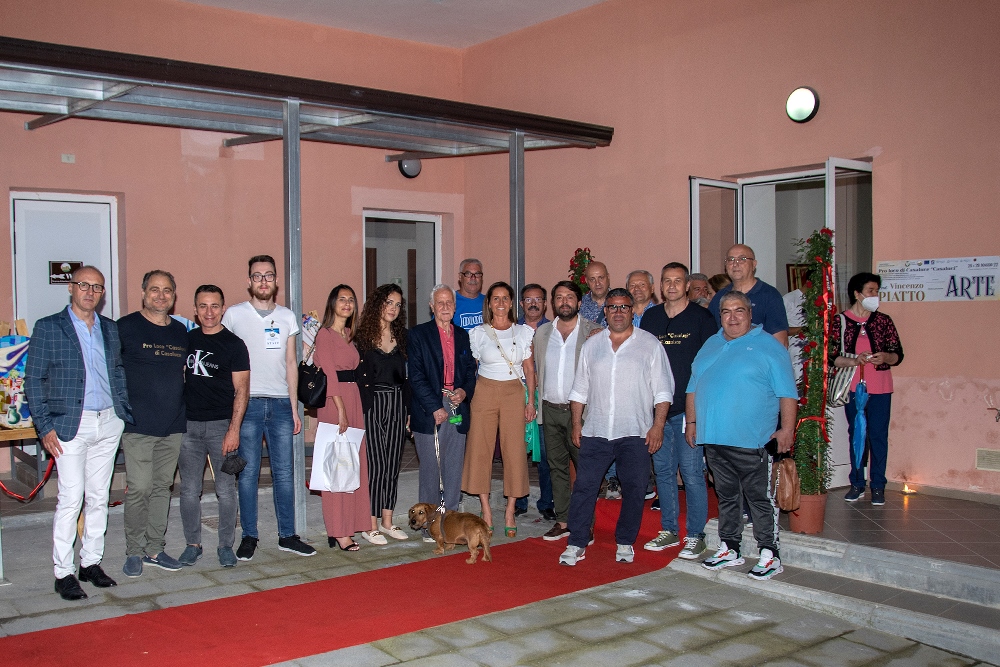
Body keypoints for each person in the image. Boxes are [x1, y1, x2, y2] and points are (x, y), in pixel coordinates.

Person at [24, 266, 132, 600]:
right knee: (71, 497)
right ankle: (63, 572)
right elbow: (33, 380)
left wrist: (122, 412)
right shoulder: (49, 327)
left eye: (97, 287)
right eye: (84, 285)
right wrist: (44, 427)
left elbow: (117, 372)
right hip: (70, 424)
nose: (90, 292)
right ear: (71, 288)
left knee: (99, 496)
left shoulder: (110, 329)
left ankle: (90, 563)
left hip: (108, 421)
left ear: (102, 293)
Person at [687, 291, 798, 580]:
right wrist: (692, 422)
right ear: (720, 315)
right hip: (714, 438)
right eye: (726, 311)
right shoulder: (711, 343)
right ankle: (730, 548)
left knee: (759, 498)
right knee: (726, 496)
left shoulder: (769, 346)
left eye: (739, 311)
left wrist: (787, 429)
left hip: (754, 441)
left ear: (750, 314)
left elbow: (787, 392)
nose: (732, 317)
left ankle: (770, 553)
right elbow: (693, 386)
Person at [559, 288, 673, 567]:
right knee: (584, 488)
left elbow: (663, 391)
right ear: (605, 311)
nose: (618, 312)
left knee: (634, 489)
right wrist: (577, 423)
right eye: (613, 307)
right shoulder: (592, 345)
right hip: (596, 430)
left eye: (624, 307)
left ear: (632, 311)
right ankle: (576, 542)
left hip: (635, 431)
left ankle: (625, 541)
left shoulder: (649, 344)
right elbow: (579, 389)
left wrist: (657, 426)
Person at [222, 254, 315, 560]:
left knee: (284, 474)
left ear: (276, 281)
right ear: (249, 281)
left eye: (269, 275)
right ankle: (249, 536)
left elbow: (291, 363)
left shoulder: (287, 317)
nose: (263, 281)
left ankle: (287, 535)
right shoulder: (234, 315)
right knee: (248, 474)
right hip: (247, 405)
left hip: (280, 406)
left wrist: (294, 407)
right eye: (257, 276)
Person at [640, 263, 718, 560]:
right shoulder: (651, 318)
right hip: (658, 411)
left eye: (677, 281)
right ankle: (669, 530)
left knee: (692, 473)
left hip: (689, 411)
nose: (672, 286)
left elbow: (709, 366)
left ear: (687, 285)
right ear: (660, 286)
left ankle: (696, 535)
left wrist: (696, 415)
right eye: (666, 281)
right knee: (663, 471)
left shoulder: (702, 318)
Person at [117, 270, 189, 577]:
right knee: (139, 488)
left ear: (174, 295)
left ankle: (154, 549)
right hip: (137, 425)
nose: (161, 295)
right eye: (155, 289)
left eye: (167, 290)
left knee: (162, 487)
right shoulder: (125, 327)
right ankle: (134, 550)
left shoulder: (181, 331)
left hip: (172, 424)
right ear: (144, 292)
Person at [177, 285, 250, 567]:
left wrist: (233, 429)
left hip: (222, 426)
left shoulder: (234, 344)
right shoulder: (186, 340)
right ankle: (192, 544)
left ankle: (225, 545)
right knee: (188, 490)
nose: (209, 312)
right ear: (195, 310)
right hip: (189, 427)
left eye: (215, 306)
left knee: (226, 490)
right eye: (203, 306)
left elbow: (242, 390)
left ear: (223, 308)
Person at [464, 281, 537, 536]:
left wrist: (531, 401)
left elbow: (529, 369)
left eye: (505, 298)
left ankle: (510, 510)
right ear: (489, 303)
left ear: (512, 303)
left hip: (513, 392)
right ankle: (485, 509)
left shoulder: (523, 332)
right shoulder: (478, 333)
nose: (501, 303)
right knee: (480, 448)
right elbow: (471, 368)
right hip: (484, 390)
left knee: (514, 450)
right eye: (496, 298)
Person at [535, 281, 602, 541]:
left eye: (570, 297)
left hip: (581, 414)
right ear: (553, 303)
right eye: (559, 297)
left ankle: (585, 523)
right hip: (550, 410)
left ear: (579, 301)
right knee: (557, 468)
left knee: (585, 471)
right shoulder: (542, 333)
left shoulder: (594, 332)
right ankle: (562, 521)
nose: (565, 301)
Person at [830, 272, 904, 506]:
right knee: (857, 434)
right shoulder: (840, 321)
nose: (875, 295)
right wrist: (855, 360)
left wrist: (885, 357)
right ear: (857, 293)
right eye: (871, 291)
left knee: (878, 435)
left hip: (881, 387)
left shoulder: (884, 321)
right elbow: (832, 357)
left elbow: (897, 355)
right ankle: (857, 483)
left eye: (876, 291)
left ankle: (878, 485)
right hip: (854, 388)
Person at [312, 284, 372, 550]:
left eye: (351, 300)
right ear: (332, 303)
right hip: (334, 401)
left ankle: (349, 524)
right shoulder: (324, 334)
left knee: (351, 465)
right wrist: (340, 410)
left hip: (352, 397)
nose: (347, 304)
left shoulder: (349, 334)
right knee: (335, 467)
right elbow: (329, 374)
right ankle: (338, 530)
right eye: (342, 299)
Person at [409, 285, 477, 515]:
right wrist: (435, 407)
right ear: (432, 306)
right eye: (440, 302)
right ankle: (429, 523)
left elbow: (470, 372)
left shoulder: (462, 335)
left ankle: (450, 518)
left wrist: (464, 391)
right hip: (429, 408)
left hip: (457, 406)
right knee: (431, 469)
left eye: (449, 303)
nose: (445, 307)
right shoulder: (418, 334)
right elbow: (416, 376)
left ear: (455, 307)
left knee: (454, 467)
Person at [354, 283, 411, 545]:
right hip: (373, 403)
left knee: (393, 463)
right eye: (389, 302)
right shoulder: (361, 338)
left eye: (398, 305)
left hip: (398, 402)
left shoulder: (403, 337)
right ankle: (370, 524)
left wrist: (408, 409)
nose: (393, 308)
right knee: (376, 464)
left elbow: (408, 378)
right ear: (378, 303)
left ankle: (387, 521)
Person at [515, 282, 553, 519]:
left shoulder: (554, 330)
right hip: (516, 396)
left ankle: (547, 502)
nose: (533, 304)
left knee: (546, 453)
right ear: (521, 304)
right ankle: (518, 500)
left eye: (538, 299)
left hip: (545, 399)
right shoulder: (511, 330)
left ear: (545, 304)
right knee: (516, 452)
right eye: (528, 300)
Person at [708, 245, 789, 347]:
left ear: (754, 264)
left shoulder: (769, 295)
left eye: (742, 259)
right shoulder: (719, 297)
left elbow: (780, 342)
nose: (735, 264)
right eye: (731, 259)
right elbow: (710, 335)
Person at [453, 258, 485, 331]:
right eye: (468, 274)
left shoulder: (489, 302)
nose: (473, 278)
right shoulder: (449, 303)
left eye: (477, 274)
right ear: (460, 277)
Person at [579, 261, 610, 326]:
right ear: (586, 281)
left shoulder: (619, 302)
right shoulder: (579, 305)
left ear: (608, 277)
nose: (597, 283)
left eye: (601, 278)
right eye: (592, 279)